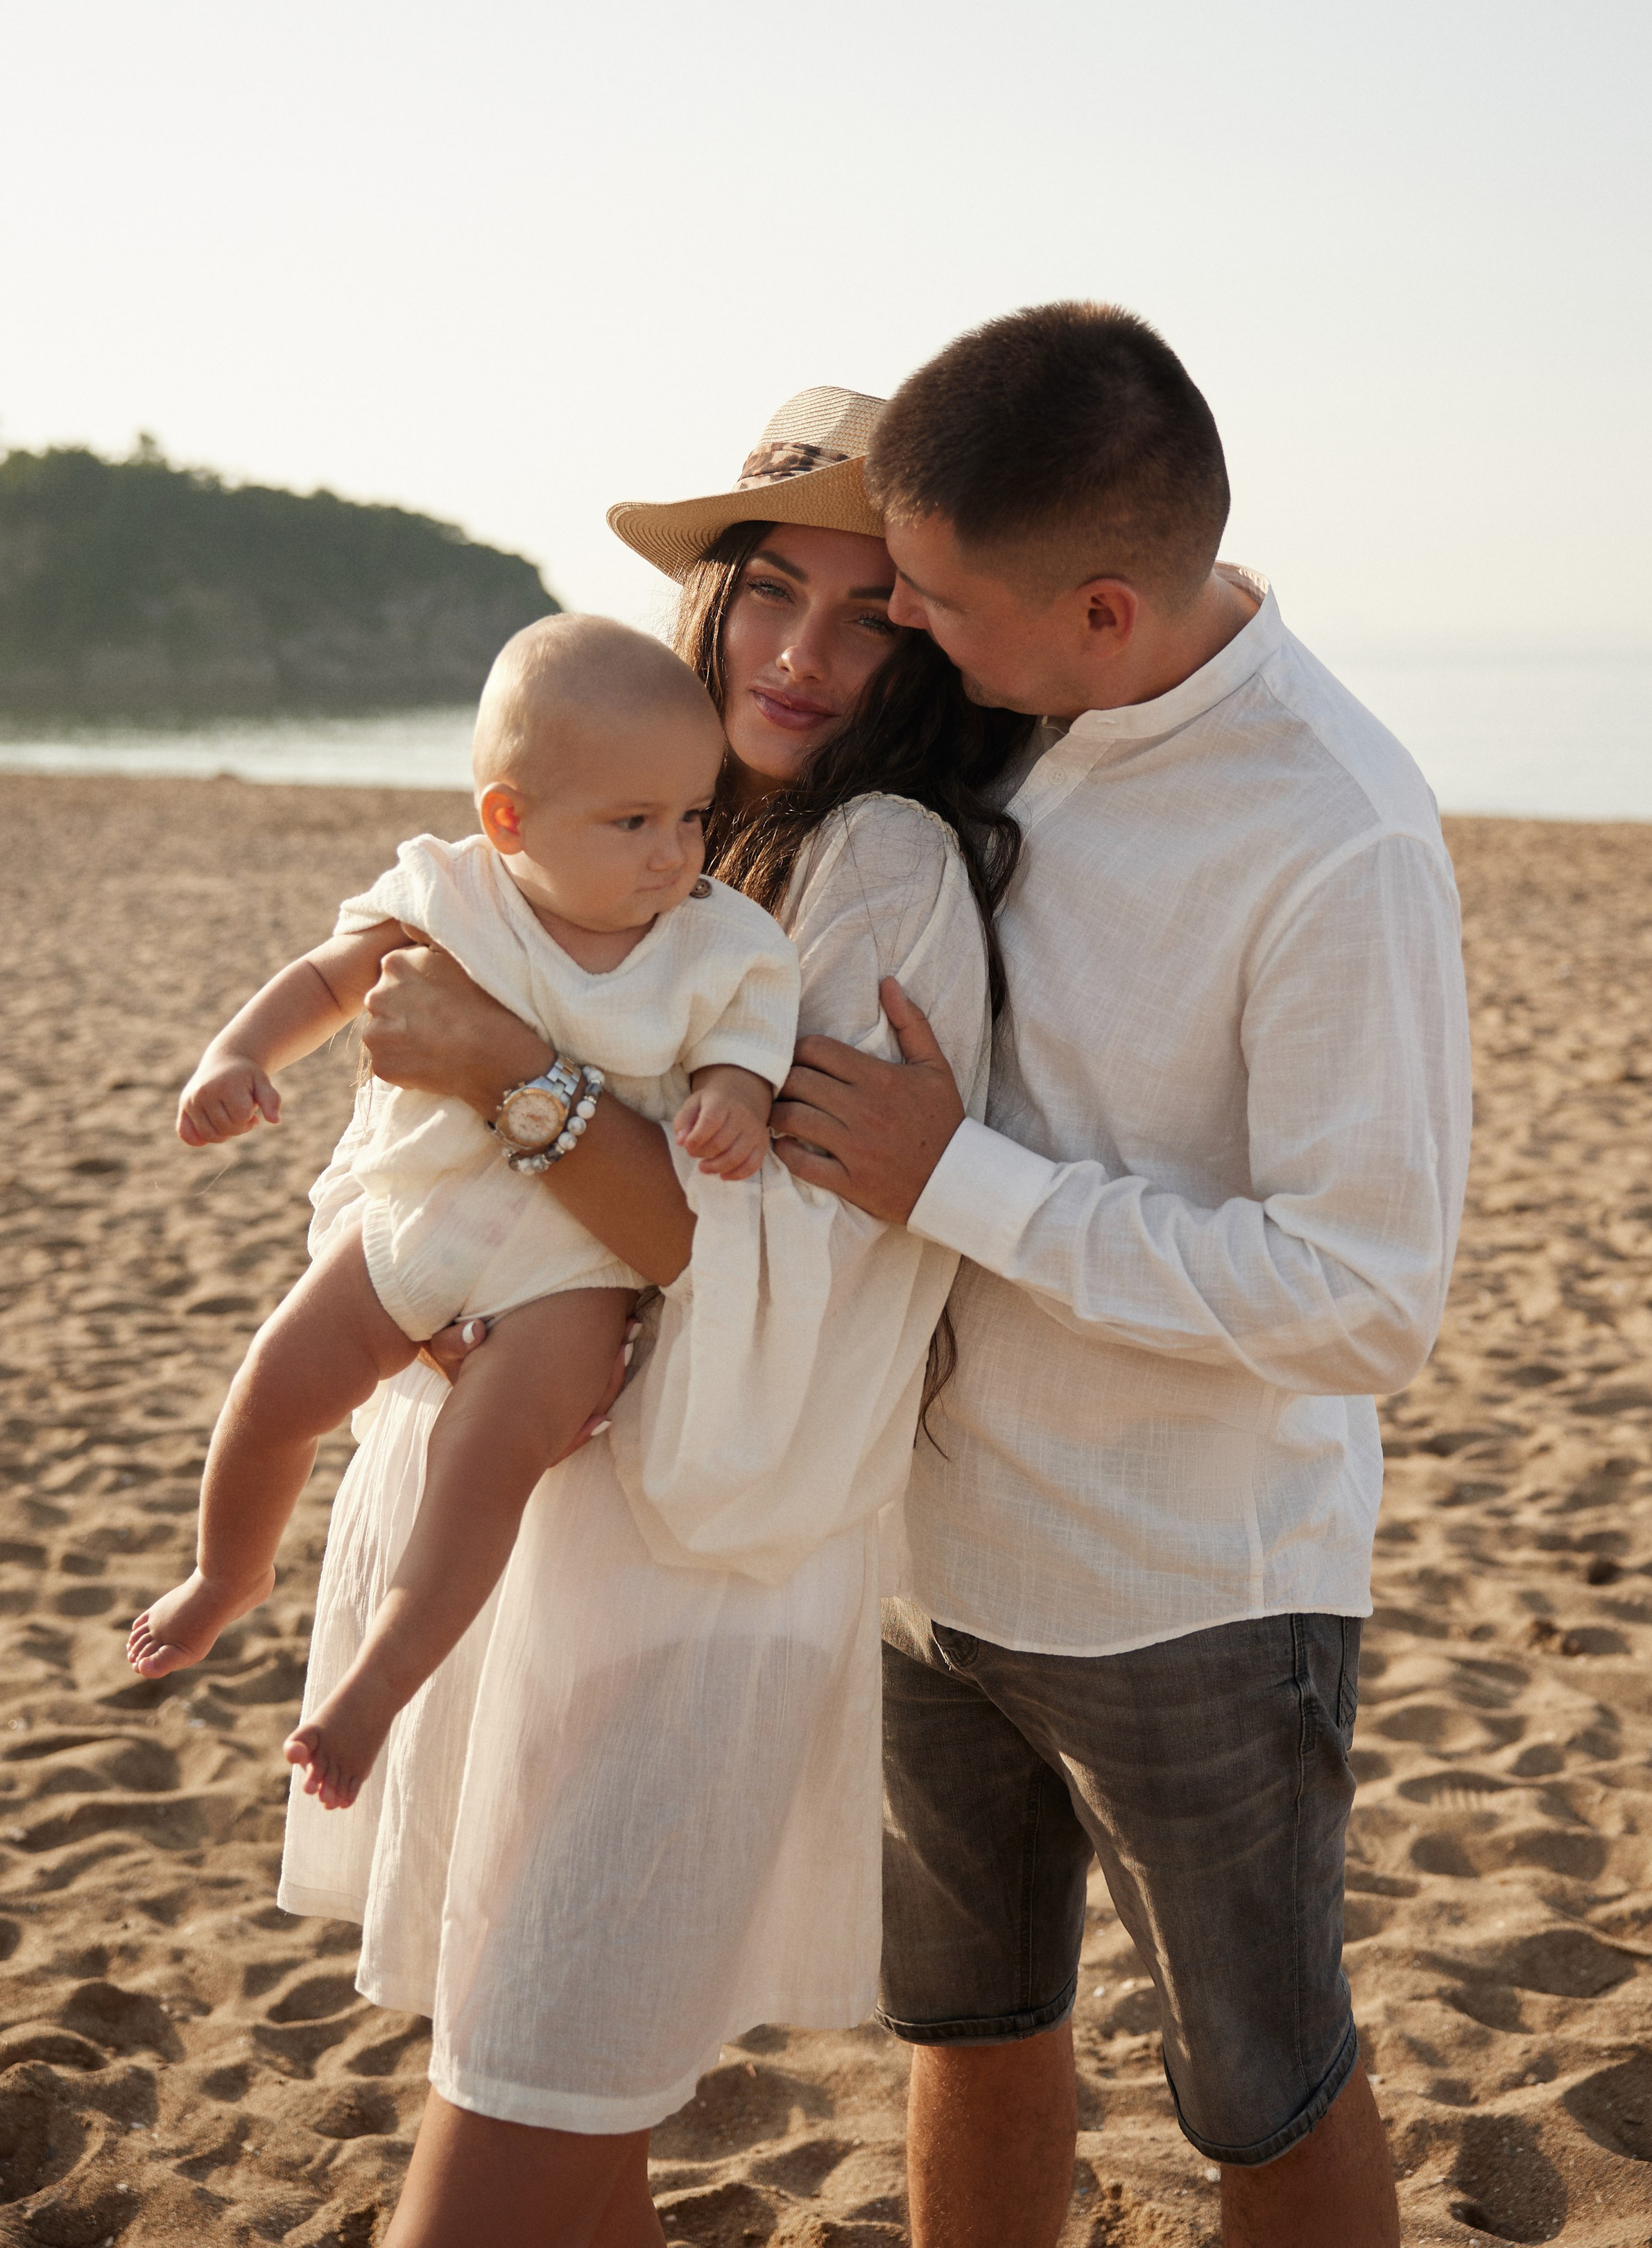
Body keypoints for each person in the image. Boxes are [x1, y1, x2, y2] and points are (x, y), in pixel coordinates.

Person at [281, 386, 1031, 2247]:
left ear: (933, 644)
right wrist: (430, 1261)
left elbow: (743, 1250)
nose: (801, 655)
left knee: (514, 2122)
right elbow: (404, 1138)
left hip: (692, 1586)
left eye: (869, 615)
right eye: (770, 590)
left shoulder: (882, 872)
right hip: (541, 1548)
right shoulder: (642, 839)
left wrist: (511, 1071)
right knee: (563, 2124)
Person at [767, 304, 1472, 2248]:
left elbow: (1365, 1296)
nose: (904, 630)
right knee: (971, 2028)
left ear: (1100, 610)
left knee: (1264, 2092)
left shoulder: (1336, 832)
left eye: (932, 601)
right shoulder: (1003, 702)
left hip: (1184, 1594)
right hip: (922, 1552)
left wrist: (959, 1182)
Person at [129, 616, 799, 1821]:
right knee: (275, 1386)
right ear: (510, 820)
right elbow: (329, 978)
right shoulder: (454, 894)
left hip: (574, 1272)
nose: (675, 854)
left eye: (695, 815)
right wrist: (237, 1055)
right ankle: (228, 1575)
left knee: (482, 1469)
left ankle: (376, 1686)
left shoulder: (717, 943)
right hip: (417, 1218)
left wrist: (732, 1104)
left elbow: (746, 1049)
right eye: (633, 822)